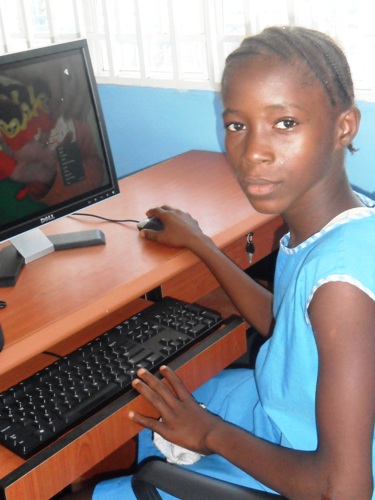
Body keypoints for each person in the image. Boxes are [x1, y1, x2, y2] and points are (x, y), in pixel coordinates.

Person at [90, 26, 375, 499]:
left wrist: (209, 434)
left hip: (308, 467)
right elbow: (286, 324)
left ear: (344, 126)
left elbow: (341, 490)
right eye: (237, 125)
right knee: (150, 398)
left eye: (284, 123)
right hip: (286, 415)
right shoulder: (347, 223)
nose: (253, 152)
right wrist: (203, 246)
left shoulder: (340, 288)